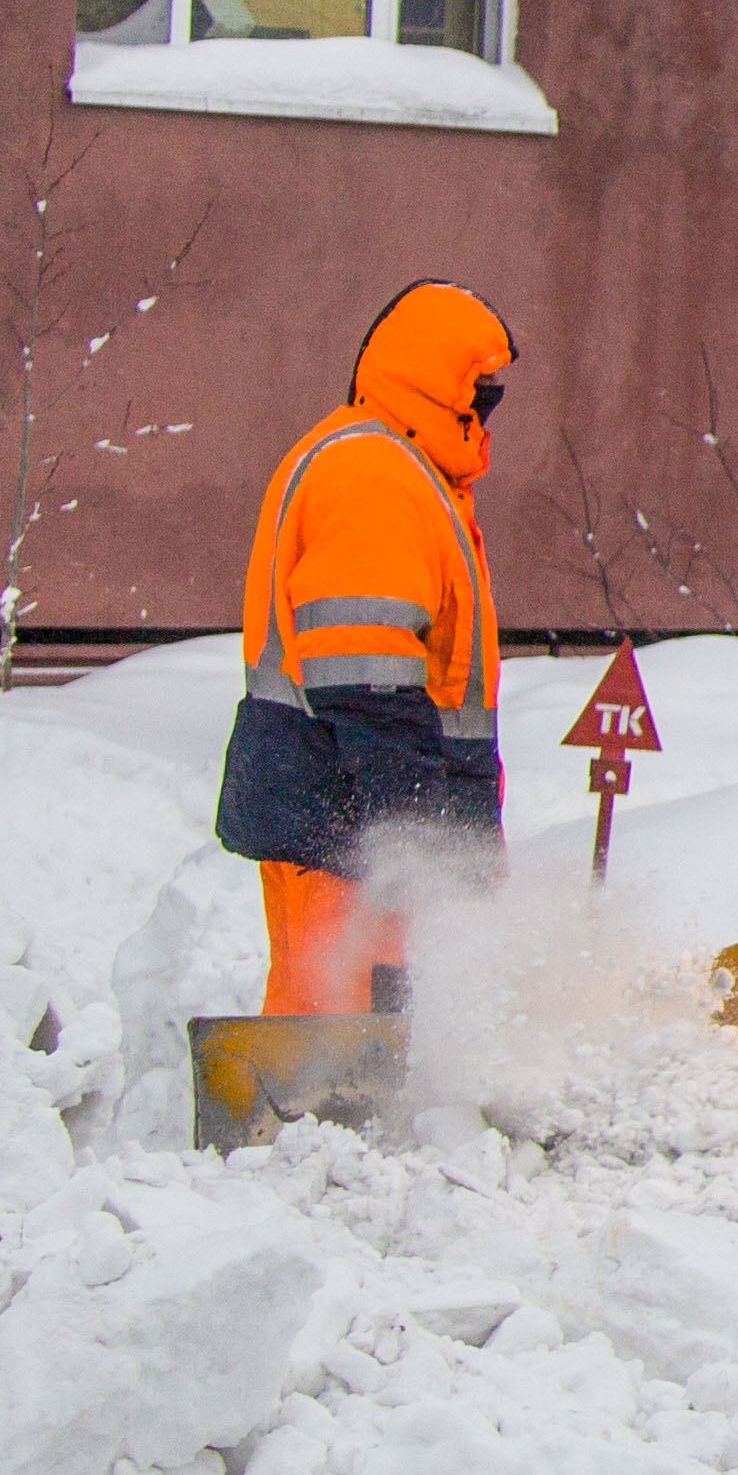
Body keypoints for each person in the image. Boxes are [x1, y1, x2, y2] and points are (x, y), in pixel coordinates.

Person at [213, 281, 516, 1020]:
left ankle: (319, 1126)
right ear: (436, 382)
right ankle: (316, 1131)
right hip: (349, 814)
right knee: (341, 1028)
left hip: (350, 808)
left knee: (352, 1018)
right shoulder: (374, 476)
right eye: (479, 389)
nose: (488, 408)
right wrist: (411, 833)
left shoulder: (408, 474)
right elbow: (364, 672)